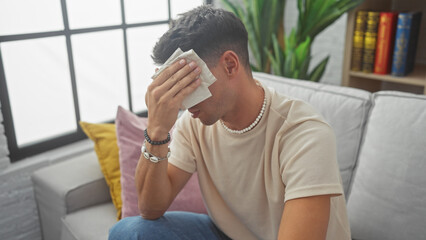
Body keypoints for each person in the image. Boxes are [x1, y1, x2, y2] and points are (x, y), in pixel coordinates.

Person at [109, 5, 350, 240]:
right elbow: (150, 209)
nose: (181, 101)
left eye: (188, 83)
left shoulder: (304, 135)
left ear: (230, 65)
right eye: (173, 84)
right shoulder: (193, 124)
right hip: (226, 233)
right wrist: (156, 129)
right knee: (129, 232)